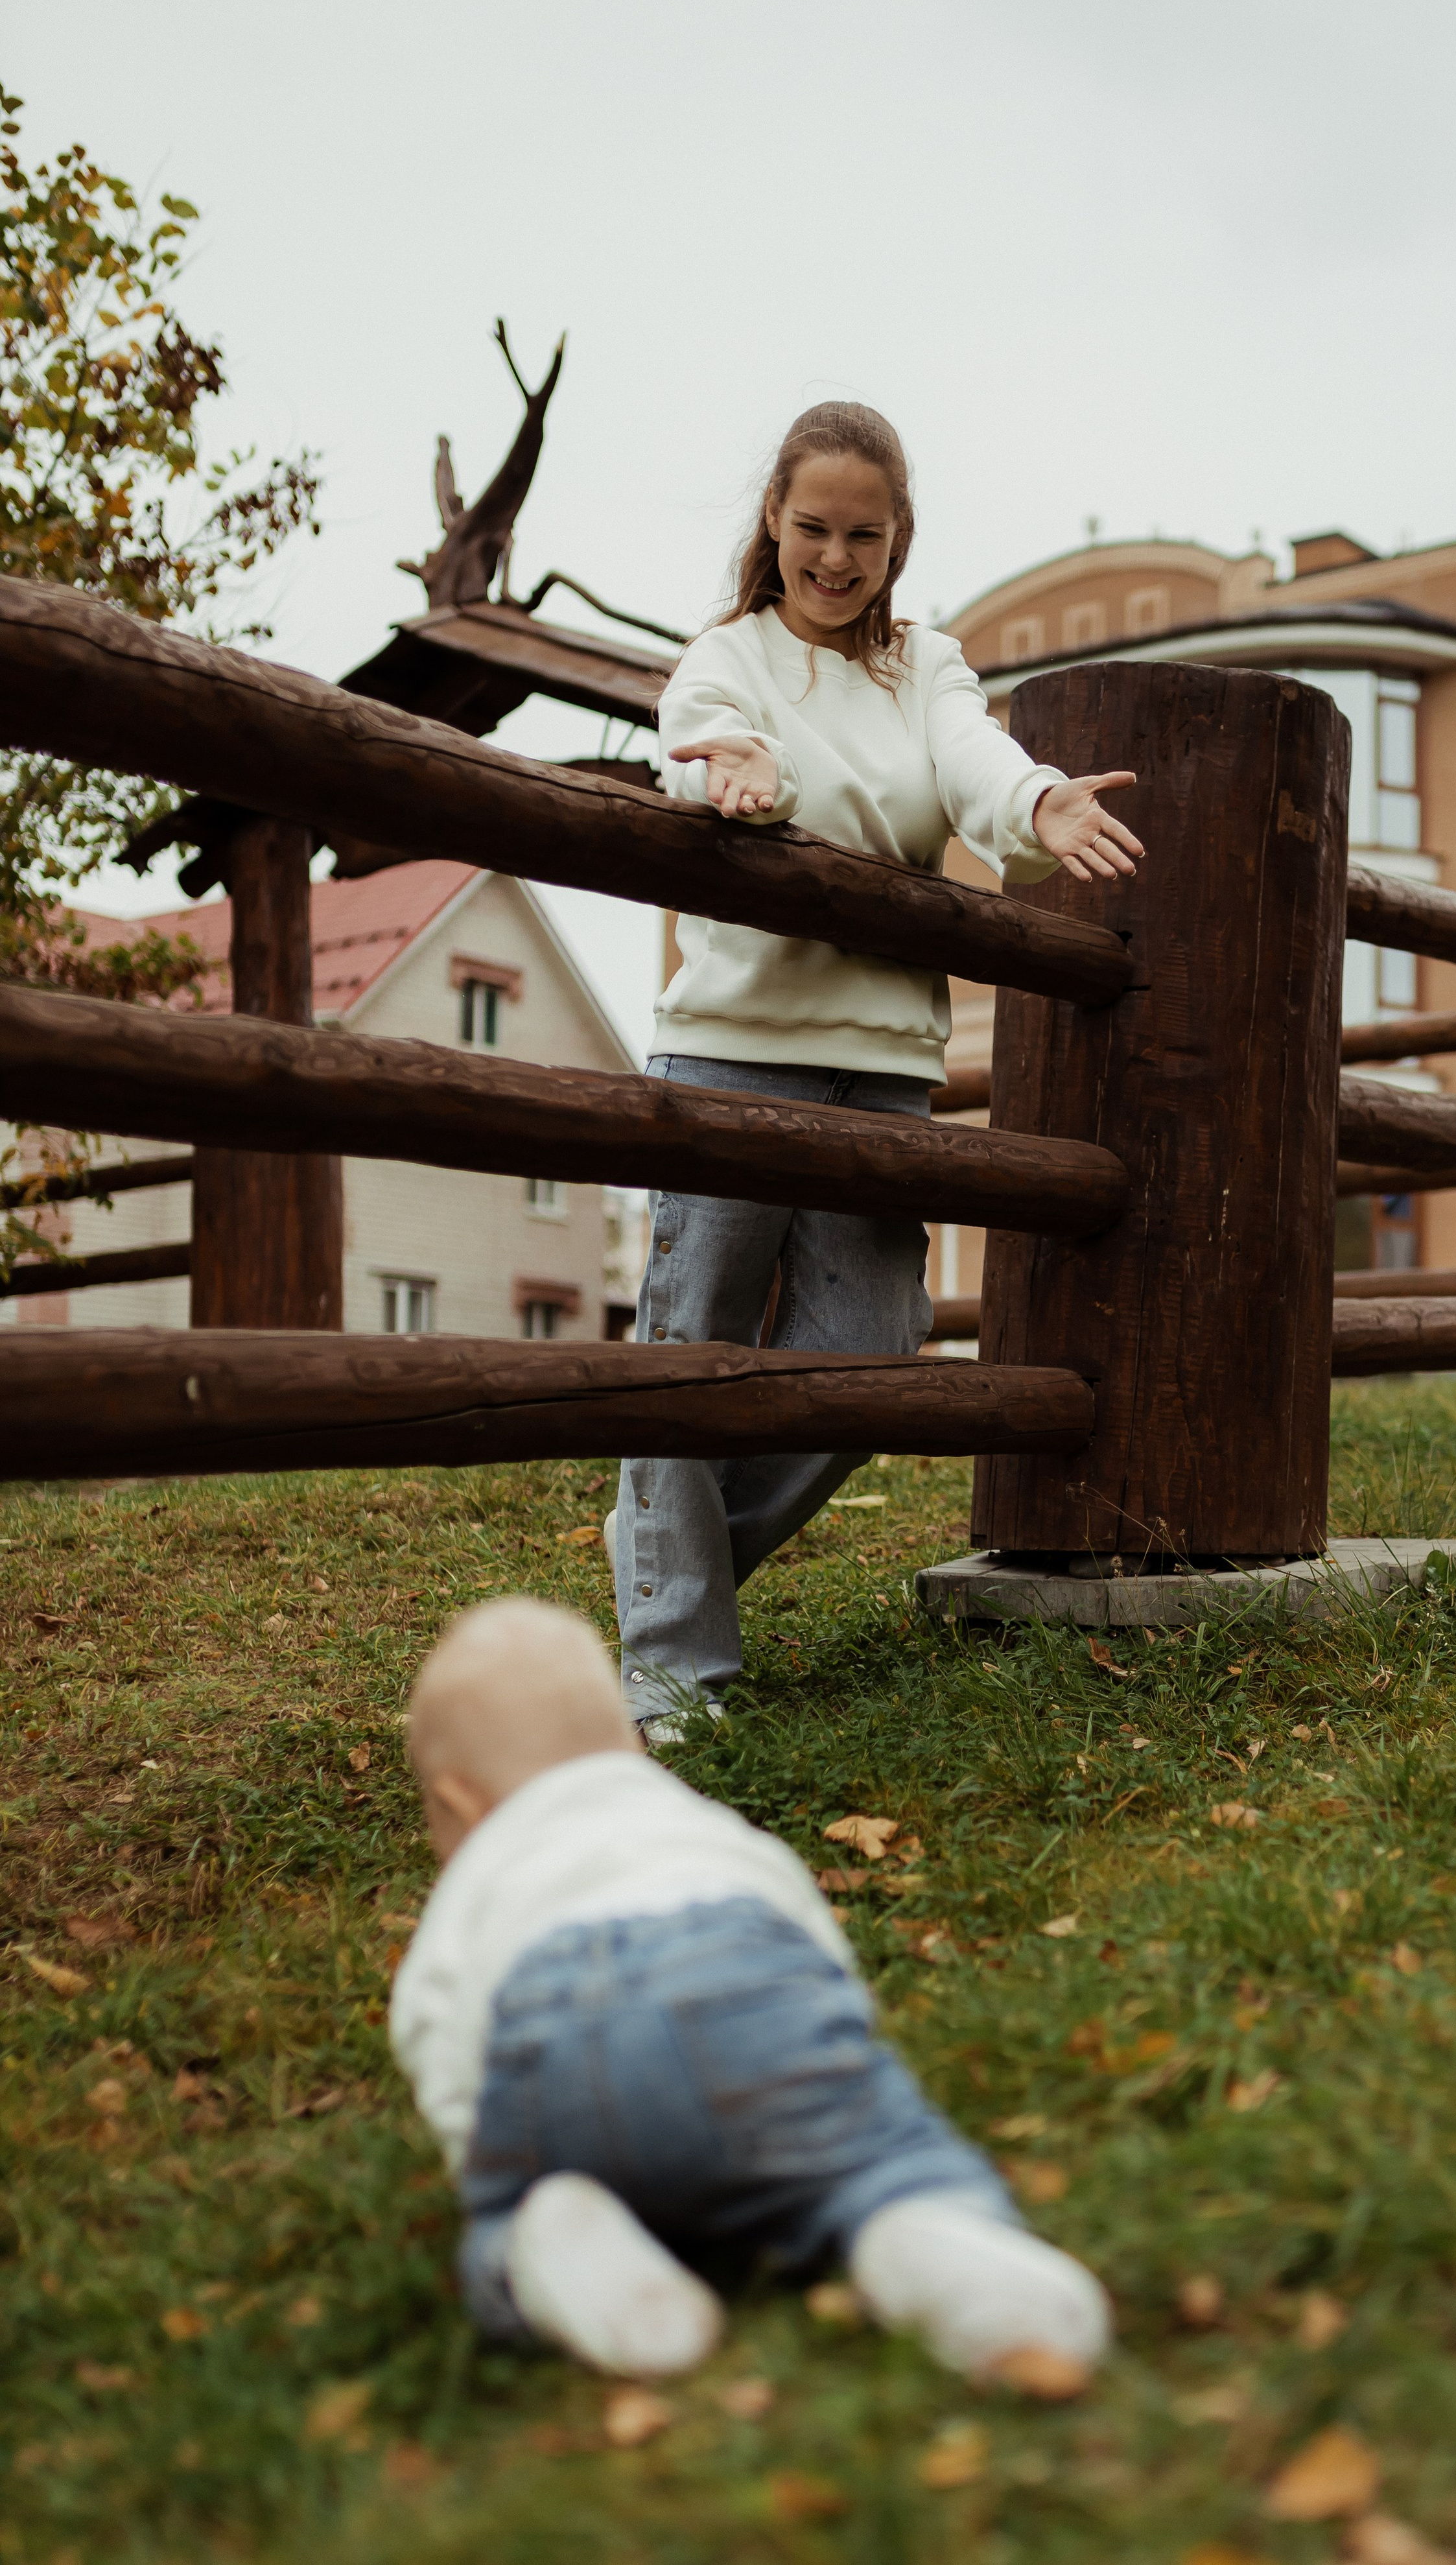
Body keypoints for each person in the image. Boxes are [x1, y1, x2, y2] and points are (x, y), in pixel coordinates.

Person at [611, 401, 1142, 1738]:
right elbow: (700, 752)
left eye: (861, 535)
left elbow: (969, 764)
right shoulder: (724, 658)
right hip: (730, 1051)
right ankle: (674, 1671)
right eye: (811, 530)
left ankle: (666, 1565)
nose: (833, 559)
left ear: (897, 541)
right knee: (690, 1351)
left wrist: (1031, 803)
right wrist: (729, 775)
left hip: (881, 1069)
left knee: (868, 1357)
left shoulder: (926, 669)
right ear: (772, 527)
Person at [390, 1597, 1111, 2385]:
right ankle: (915, 2220)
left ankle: (548, 2237)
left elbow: (436, 2028)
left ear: (461, 1803)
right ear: (628, 1746)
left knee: (503, 2222)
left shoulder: (483, 1876)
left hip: (555, 2036)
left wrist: (494, 2163)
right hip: (753, 2004)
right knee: (878, 2160)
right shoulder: (694, 1821)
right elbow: (808, 1940)